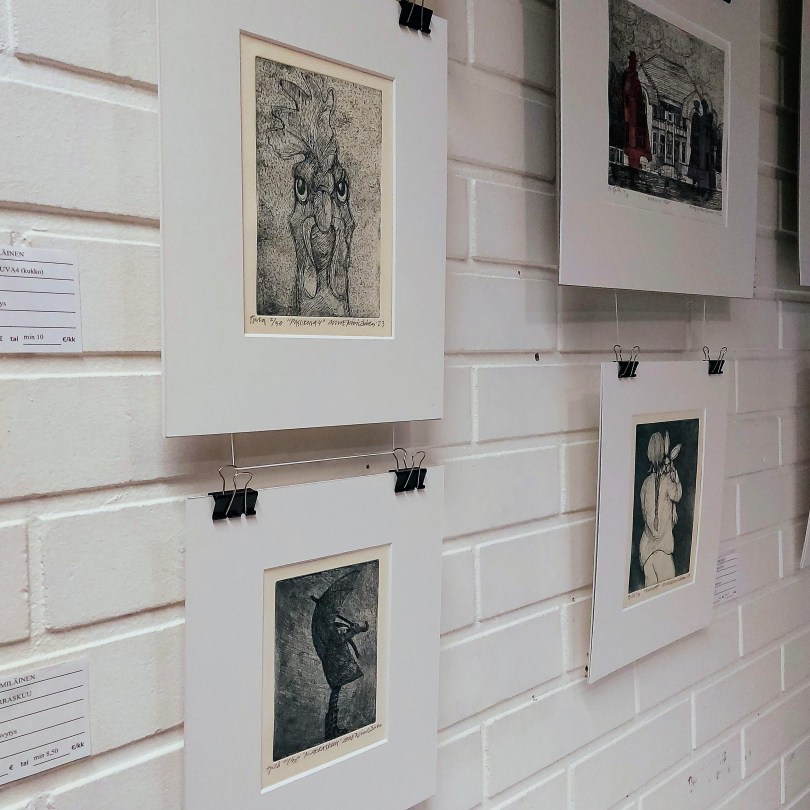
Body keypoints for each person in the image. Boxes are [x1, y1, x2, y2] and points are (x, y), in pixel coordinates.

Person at [639, 432, 682, 588]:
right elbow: (677, 495)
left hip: (646, 552)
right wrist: (675, 476)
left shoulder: (645, 484)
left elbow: (645, 512)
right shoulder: (668, 481)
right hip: (662, 549)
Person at [621, 51, 652, 187]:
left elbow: (638, 95)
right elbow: (627, 92)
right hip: (631, 113)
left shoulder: (635, 77)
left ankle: (635, 172)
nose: (634, 63)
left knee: (637, 141)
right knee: (632, 140)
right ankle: (632, 173)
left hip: (637, 114)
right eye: (632, 61)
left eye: (634, 61)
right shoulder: (628, 76)